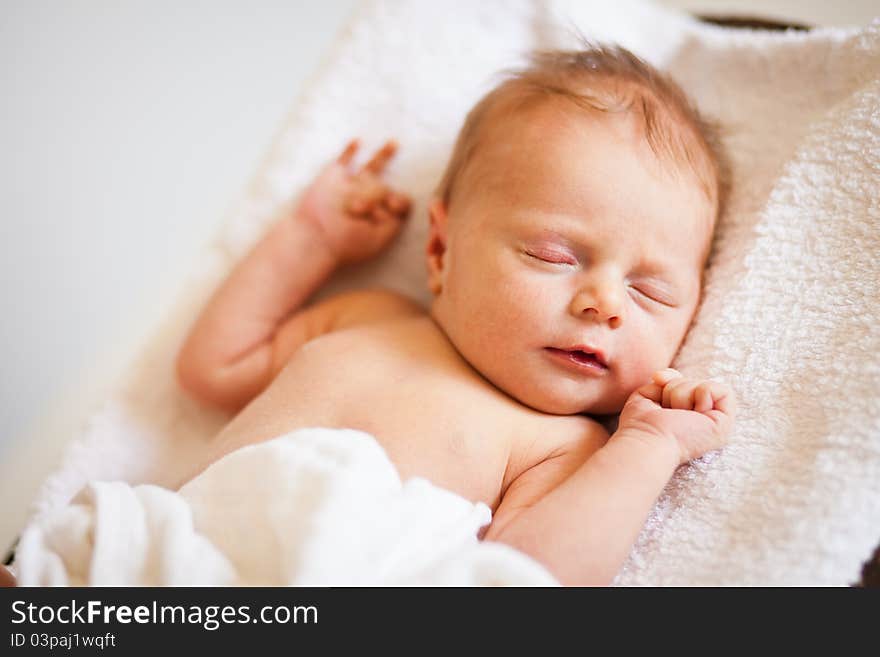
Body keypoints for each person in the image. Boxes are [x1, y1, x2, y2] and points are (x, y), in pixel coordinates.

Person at [175, 44, 736, 586]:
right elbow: (215, 368)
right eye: (553, 256)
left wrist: (651, 446)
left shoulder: (562, 447)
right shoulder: (370, 319)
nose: (606, 304)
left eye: (650, 292)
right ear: (442, 250)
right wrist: (312, 240)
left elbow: (532, 578)